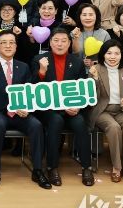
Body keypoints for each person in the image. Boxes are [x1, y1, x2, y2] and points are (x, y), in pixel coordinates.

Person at [0, 30, 50, 190]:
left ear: (16, 46)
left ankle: (37, 170)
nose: (8, 46)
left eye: (11, 42)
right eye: (4, 42)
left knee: (36, 125)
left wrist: (25, 107)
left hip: (19, 112)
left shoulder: (23, 66)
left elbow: (29, 91)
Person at [31, 27, 95, 187]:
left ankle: (87, 167)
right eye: (56, 40)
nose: (60, 44)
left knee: (80, 122)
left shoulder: (77, 62)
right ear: (50, 42)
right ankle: (52, 167)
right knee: (56, 121)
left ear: (69, 43)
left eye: (64, 41)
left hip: (71, 109)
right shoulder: (39, 59)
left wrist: (78, 106)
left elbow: (82, 90)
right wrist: (42, 72)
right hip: (48, 110)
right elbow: (32, 89)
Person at [87, 40, 123, 183]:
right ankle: (117, 167)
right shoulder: (95, 69)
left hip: (122, 110)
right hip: (102, 110)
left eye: (117, 53)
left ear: (122, 55)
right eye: (109, 53)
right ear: (103, 54)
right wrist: (95, 79)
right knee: (114, 127)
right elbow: (91, 96)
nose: (112, 56)